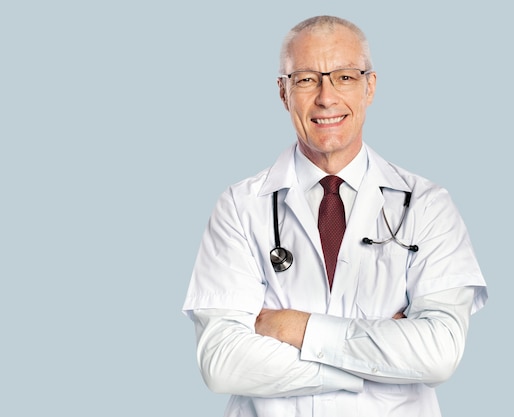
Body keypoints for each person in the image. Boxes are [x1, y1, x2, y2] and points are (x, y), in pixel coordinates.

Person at [181, 15, 488, 417]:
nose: (326, 97)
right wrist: (374, 359)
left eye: (344, 77)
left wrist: (293, 327)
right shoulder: (240, 207)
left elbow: (439, 353)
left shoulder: (428, 204)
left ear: (369, 87)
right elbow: (222, 363)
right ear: (283, 92)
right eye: (307, 79)